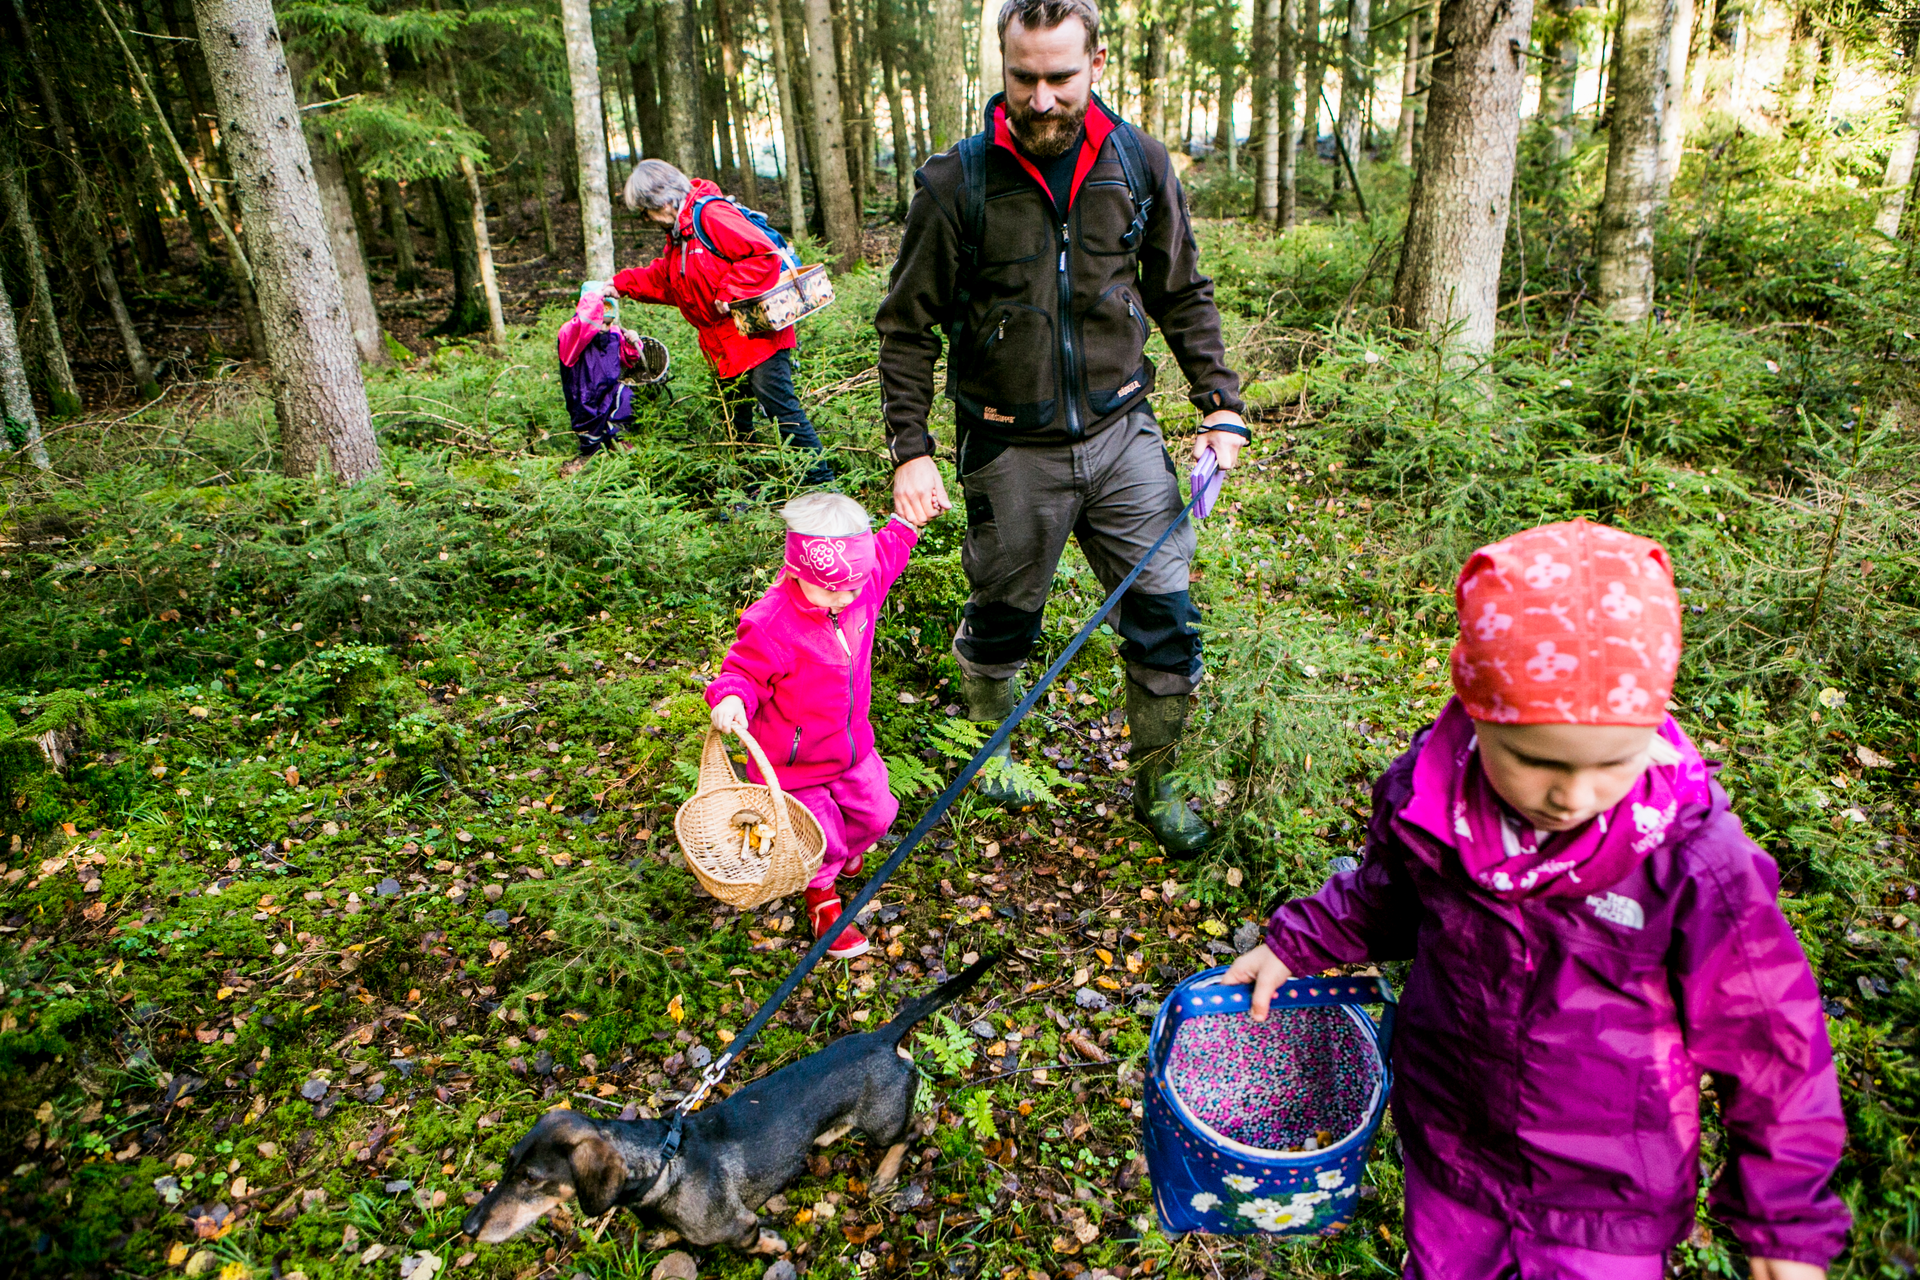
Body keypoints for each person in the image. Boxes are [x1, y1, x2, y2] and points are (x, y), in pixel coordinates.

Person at [1222, 519, 1849, 1280]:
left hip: (1607, 1194)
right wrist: (1298, 942)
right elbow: (1387, 893)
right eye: (1535, 760)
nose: (1570, 795)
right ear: (1475, 710)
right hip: (1454, 1147)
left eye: (1611, 762)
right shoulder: (1430, 803)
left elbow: (1773, 1047)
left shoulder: (1693, 863)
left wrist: (1781, 1228)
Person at [875, 0, 1248, 857]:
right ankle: (988, 747)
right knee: (1004, 615)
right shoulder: (956, 182)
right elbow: (905, 327)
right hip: (1011, 447)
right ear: (1001, 69)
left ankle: (1162, 789)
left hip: (1125, 436)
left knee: (1165, 617)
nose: (1040, 99)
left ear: (1097, 66)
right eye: (1023, 78)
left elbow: (1181, 292)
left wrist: (1218, 401)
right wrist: (911, 450)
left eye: (1060, 78)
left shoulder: (1139, 164)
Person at [705, 493, 920, 958]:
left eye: (852, 588)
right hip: (791, 765)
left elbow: (886, 553)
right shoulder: (771, 623)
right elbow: (741, 673)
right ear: (798, 571)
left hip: (849, 748)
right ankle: (822, 896)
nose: (843, 598)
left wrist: (908, 520)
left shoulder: (858, 587)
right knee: (816, 840)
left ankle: (845, 855)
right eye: (830, 590)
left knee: (877, 813)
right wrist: (731, 699)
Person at [614, 159, 834, 487]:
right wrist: (618, 284)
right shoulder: (679, 233)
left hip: (756, 334)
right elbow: (668, 279)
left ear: (660, 200)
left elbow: (764, 255)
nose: (645, 220)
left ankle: (825, 490)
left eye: (645, 211)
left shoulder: (710, 216)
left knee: (781, 411)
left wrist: (730, 289)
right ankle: (747, 495)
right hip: (721, 345)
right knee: (735, 422)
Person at [555, 283, 640, 476]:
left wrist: (632, 343)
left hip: (608, 394)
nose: (604, 328)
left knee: (626, 396)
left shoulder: (614, 333)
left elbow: (628, 359)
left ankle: (617, 440)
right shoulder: (572, 336)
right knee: (591, 439)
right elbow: (584, 322)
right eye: (600, 321)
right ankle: (590, 455)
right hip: (584, 398)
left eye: (609, 323)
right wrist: (598, 295)